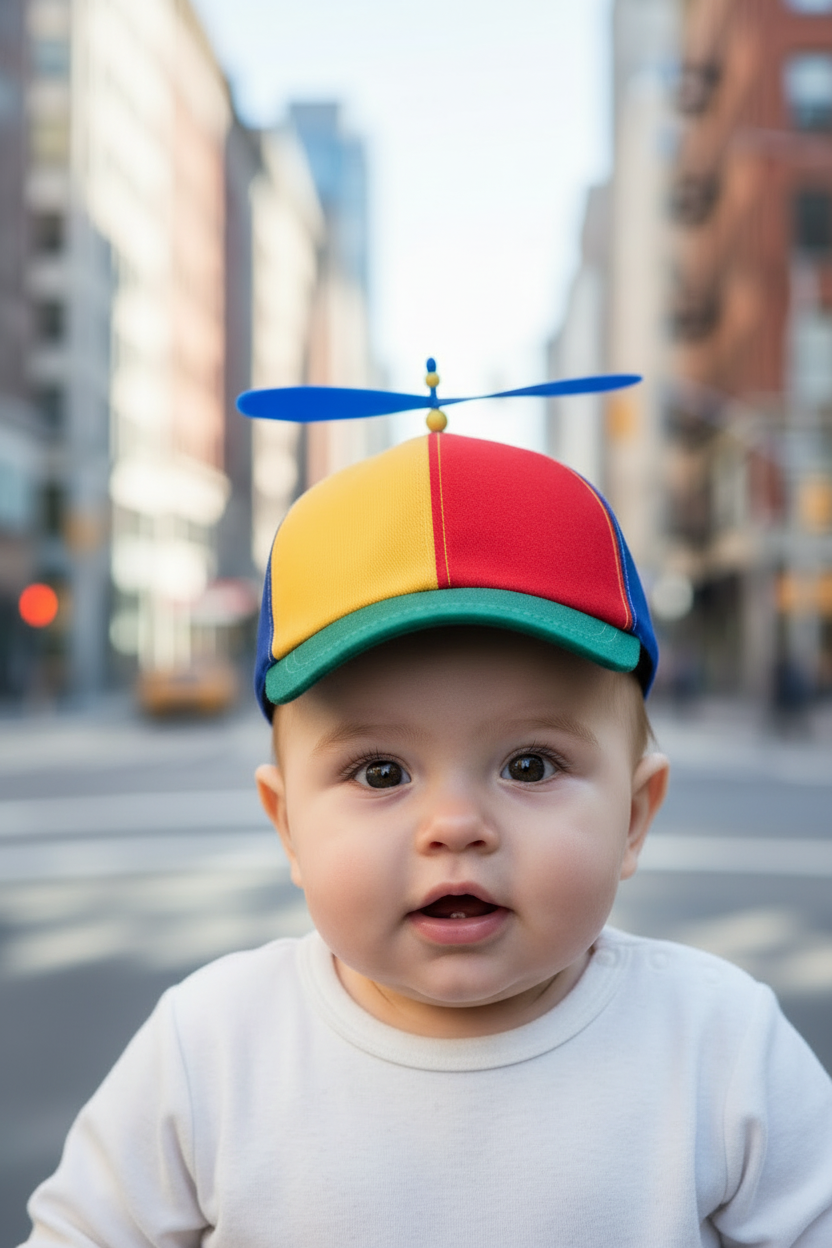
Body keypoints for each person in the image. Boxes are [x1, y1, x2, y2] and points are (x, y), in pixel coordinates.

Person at [21, 433, 832, 1246]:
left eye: (528, 763)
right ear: (288, 826)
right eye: (380, 773)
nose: (455, 827)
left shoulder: (721, 1047)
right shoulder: (209, 1049)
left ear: (634, 815)